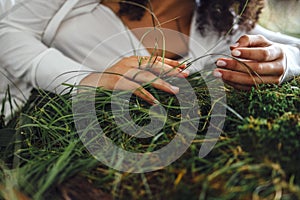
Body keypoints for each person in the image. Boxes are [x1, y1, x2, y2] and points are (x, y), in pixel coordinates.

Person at [0, 0, 299, 120]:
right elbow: (8, 29)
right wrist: (84, 80)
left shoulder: (218, 23)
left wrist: (284, 61)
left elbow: (292, 48)